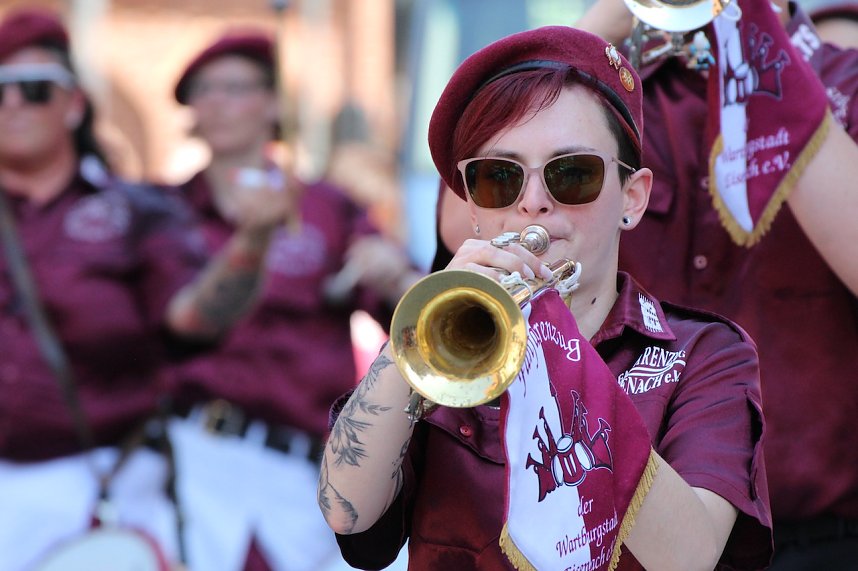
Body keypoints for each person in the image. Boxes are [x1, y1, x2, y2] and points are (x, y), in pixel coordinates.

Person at [318, 25, 772, 570]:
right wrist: (418, 335)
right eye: (498, 179)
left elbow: (688, 558)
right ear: (473, 207)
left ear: (633, 197)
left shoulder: (707, 353)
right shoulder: (439, 348)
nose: (532, 202)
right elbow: (347, 511)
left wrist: (558, 352)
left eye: (571, 174)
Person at [0, 8, 286, 571]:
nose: (12, 105)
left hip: (99, 488)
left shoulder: (138, 212)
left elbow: (193, 319)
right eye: (0, 90)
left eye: (34, 90)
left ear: (74, 105)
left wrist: (252, 242)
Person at [578, 0, 858, 567]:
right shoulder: (605, 90)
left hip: (819, 536)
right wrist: (590, 32)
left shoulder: (842, 80)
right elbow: (464, 224)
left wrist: (761, 48)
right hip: (624, 526)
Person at [167, 30, 422, 571]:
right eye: (203, 90)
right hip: (195, 456)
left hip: (303, 467)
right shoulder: (166, 211)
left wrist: (393, 272)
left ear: (271, 104)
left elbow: (413, 323)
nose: (217, 102)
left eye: (234, 87)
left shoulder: (326, 209)